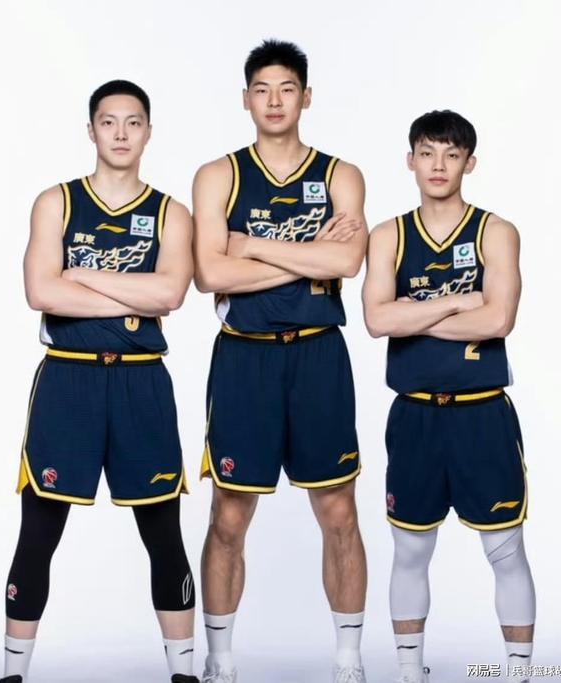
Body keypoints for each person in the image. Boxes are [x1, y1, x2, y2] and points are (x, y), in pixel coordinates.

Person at [0, 80, 199, 683]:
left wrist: (81, 275)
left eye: (132, 122)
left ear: (148, 132)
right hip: (69, 380)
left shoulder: (170, 213)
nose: (120, 133)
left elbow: (171, 293)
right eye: (108, 122)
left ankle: (183, 673)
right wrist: (133, 299)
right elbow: (41, 291)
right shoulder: (56, 203)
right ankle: (12, 673)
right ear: (91, 130)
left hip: (141, 383)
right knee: (39, 530)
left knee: (163, 532)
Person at [192, 40, 369, 683]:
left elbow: (347, 262)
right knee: (228, 516)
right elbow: (211, 275)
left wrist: (251, 246)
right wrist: (305, 255)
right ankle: (220, 661)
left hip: (319, 355)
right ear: (246, 99)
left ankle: (348, 660)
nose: (274, 100)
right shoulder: (219, 175)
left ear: (306, 97)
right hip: (245, 359)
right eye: (262, 89)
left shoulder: (340, 174)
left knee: (339, 512)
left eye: (286, 88)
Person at [362, 110, 536, 683]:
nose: (438, 165)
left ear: (470, 163)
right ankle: (410, 672)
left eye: (451, 154)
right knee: (410, 550)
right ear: (410, 160)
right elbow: (377, 320)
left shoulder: (496, 232)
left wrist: (412, 315)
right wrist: (459, 302)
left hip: (482, 413)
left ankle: (517, 673)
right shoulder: (389, 235)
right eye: (427, 153)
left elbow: (499, 319)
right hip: (414, 414)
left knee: (505, 549)